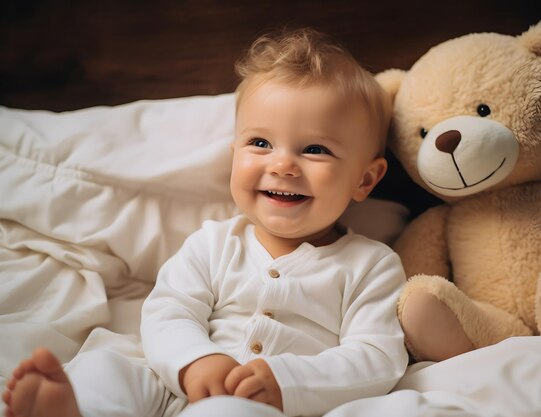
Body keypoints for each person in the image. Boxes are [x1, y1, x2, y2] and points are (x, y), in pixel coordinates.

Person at [2, 28, 408, 417]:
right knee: (106, 369)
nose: (282, 164)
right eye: (260, 143)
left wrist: (287, 383)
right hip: (171, 384)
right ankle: (82, 410)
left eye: (315, 149)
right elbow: (168, 311)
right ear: (235, 153)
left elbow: (376, 357)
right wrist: (194, 361)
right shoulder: (213, 243)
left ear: (365, 179)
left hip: (260, 405)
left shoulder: (371, 265)